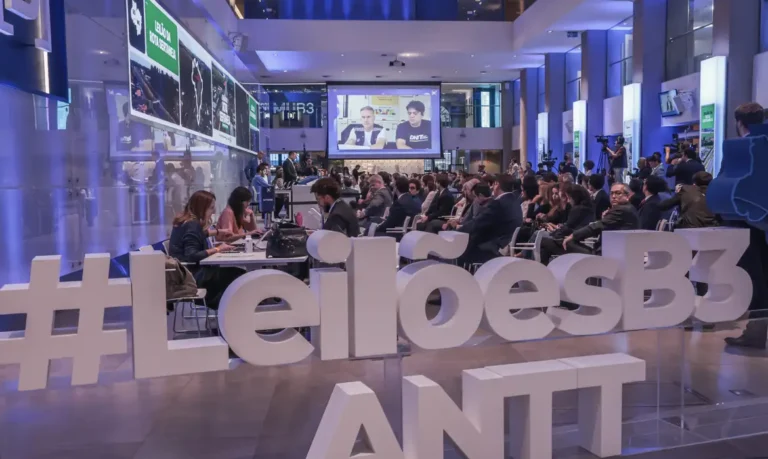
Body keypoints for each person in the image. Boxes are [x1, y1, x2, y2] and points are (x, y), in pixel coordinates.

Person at [724, 102, 768, 349]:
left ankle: (756, 332)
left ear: (739, 123)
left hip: (746, 222)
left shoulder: (740, 148)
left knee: (755, 280)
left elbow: (728, 186)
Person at [168, 191, 239, 309]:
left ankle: (228, 310)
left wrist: (218, 232)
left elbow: (197, 235)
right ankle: (229, 310)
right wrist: (218, 249)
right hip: (193, 276)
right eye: (211, 208)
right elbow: (192, 255)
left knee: (232, 274)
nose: (214, 212)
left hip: (186, 272)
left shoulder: (186, 222)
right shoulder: (192, 225)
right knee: (237, 275)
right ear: (201, 208)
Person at [539, 183, 639, 264]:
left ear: (627, 196)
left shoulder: (621, 210)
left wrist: (573, 236)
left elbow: (596, 227)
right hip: (611, 252)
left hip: (605, 256)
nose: (613, 196)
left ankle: (543, 275)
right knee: (553, 241)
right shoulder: (628, 209)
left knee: (545, 242)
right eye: (612, 193)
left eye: (618, 193)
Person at [457, 174, 523, 264]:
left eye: (493, 185)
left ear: (497, 185)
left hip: (493, 245)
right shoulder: (515, 201)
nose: (491, 187)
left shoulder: (498, 203)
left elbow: (479, 222)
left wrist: (458, 230)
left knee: (462, 244)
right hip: (505, 241)